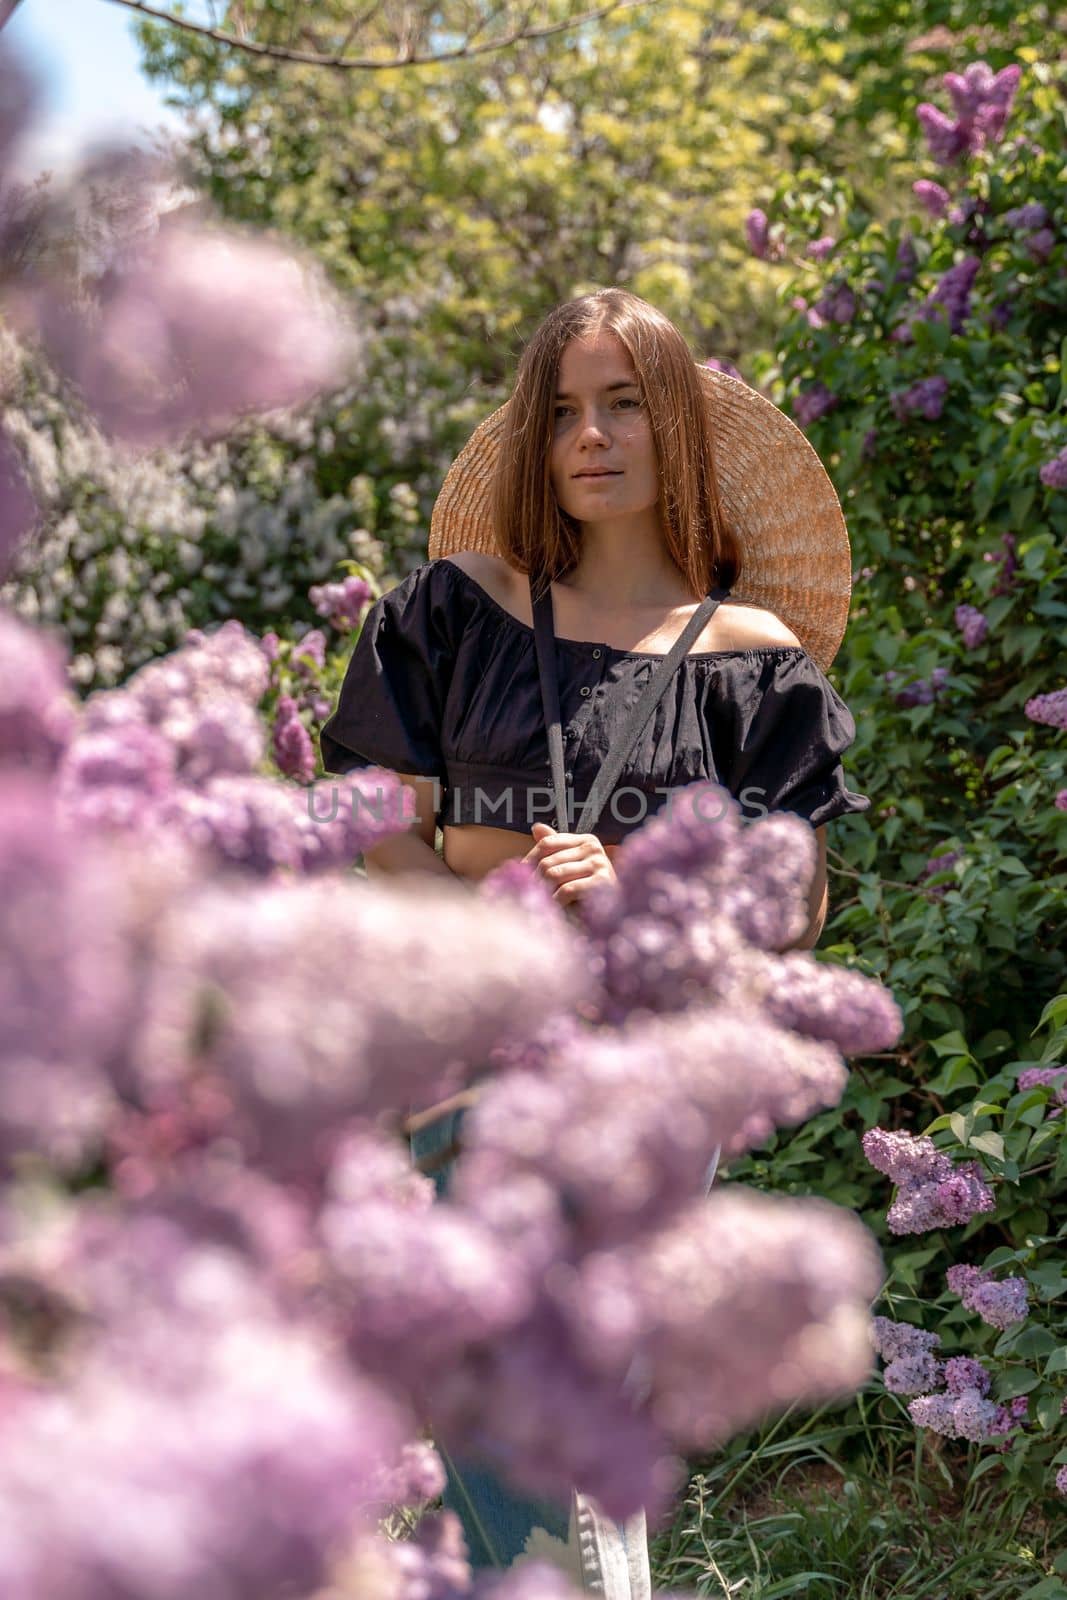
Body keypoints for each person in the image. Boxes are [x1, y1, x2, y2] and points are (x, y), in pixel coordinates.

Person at [319, 288, 871, 1596]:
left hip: (646, 1081)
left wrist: (629, 881)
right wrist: (506, 922)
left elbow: (793, 902)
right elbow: (364, 829)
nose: (592, 434)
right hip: (473, 1068)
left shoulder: (755, 661)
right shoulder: (448, 612)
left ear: (673, 423)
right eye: (563, 409)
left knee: (564, 1409)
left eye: (623, 401)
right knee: (506, 1416)